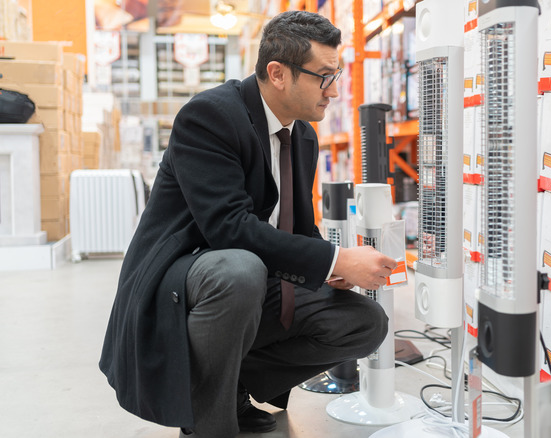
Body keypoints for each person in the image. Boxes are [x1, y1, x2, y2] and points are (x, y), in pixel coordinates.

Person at [99, 10, 395, 437]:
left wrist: (334, 272)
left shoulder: (303, 135)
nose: (334, 90)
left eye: (337, 74)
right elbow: (229, 229)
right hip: (185, 282)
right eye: (324, 76)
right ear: (278, 73)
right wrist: (333, 259)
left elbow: (296, 227)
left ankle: (226, 384)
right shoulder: (210, 117)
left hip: (250, 282)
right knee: (240, 269)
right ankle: (209, 424)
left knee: (365, 322)